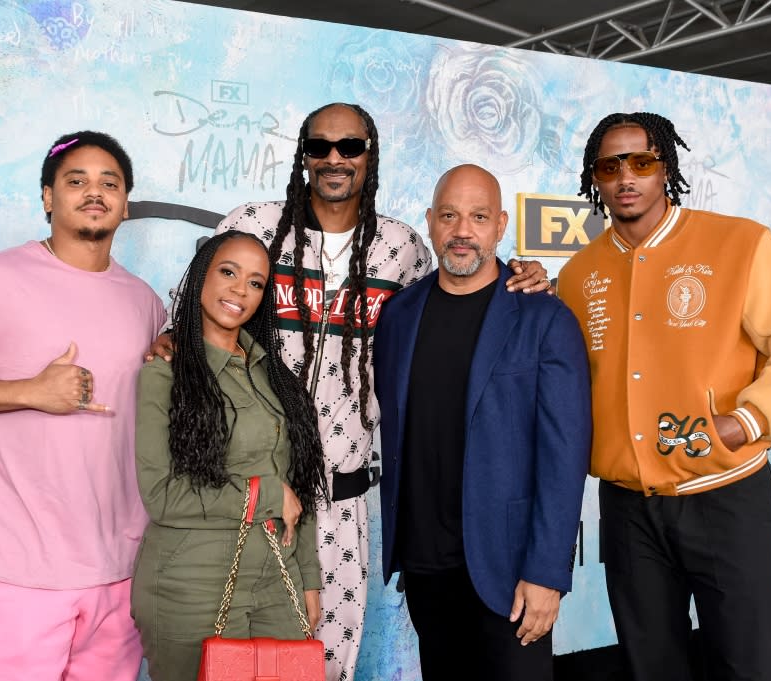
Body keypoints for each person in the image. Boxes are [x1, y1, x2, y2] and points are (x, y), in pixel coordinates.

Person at [148, 102, 552, 681]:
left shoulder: (401, 247)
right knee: (226, 662)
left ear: (371, 154)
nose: (334, 159)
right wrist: (169, 337)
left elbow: (460, 293)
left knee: (324, 664)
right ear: (304, 155)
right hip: (248, 493)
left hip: (342, 501)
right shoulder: (256, 224)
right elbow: (191, 311)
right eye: (320, 147)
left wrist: (522, 274)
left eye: (350, 147)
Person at [556, 112, 771, 681]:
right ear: (596, 177)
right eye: (610, 165)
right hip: (626, 509)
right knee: (651, 667)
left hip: (726, 497)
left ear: (666, 168)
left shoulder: (739, 243)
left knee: (752, 665)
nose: (626, 177)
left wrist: (746, 421)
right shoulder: (577, 273)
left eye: (641, 161)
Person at [0, 131, 166, 681]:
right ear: (48, 197)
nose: (94, 192)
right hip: (21, 567)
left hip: (122, 566)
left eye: (109, 182)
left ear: (125, 202)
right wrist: (29, 391)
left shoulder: (145, 300)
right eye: (76, 181)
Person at [373, 164, 592, 680]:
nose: (462, 231)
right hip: (427, 565)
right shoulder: (400, 315)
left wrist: (545, 572)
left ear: (499, 224)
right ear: (429, 222)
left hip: (510, 569)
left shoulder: (545, 318)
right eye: (449, 215)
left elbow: (565, 456)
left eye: (477, 216)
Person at [131, 231, 328, 680]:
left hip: (278, 579)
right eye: (228, 272)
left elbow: (299, 483)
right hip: (191, 585)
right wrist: (265, 496)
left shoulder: (273, 375)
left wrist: (308, 580)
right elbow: (162, 495)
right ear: (201, 275)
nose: (240, 290)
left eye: (256, 283)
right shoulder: (165, 374)